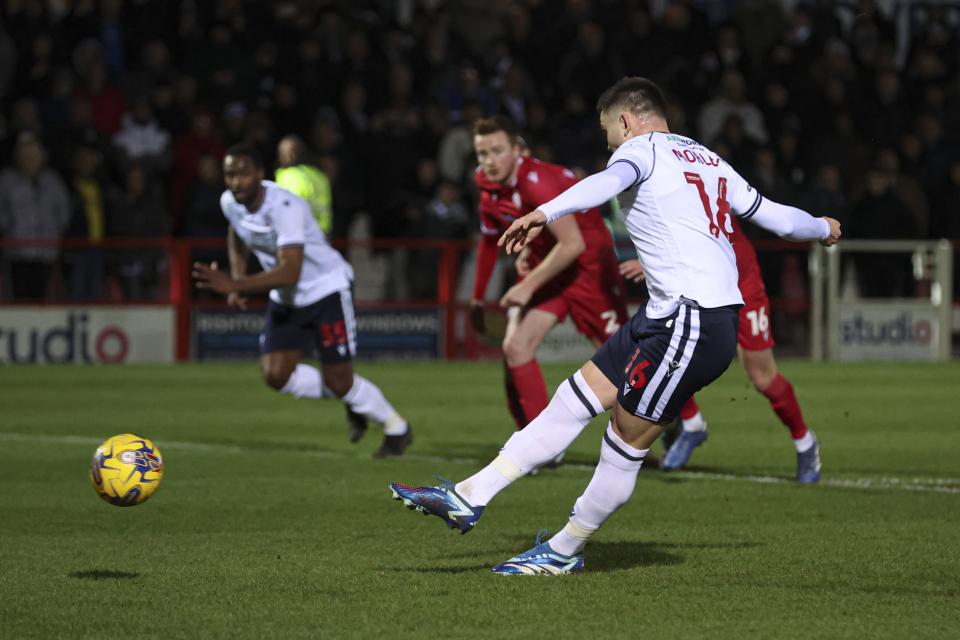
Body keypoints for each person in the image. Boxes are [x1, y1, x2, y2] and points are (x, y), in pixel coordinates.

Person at [390, 77, 840, 574]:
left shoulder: (640, 150)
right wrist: (823, 227)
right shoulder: (708, 159)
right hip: (666, 315)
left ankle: (564, 551)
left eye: (608, 131)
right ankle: (469, 494)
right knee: (571, 400)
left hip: (694, 322)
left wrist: (544, 211)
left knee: (624, 441)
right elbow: (776, 218)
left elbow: (604, 184)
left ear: (626, 120)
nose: (609, 144)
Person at [192, 144, 412, 458]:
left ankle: (397, 429)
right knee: (276, 375)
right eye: (230, 174)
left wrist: (236, 282)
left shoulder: (285, 206)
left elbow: (291, 270)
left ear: (259, 174)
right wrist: (237, 278)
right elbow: (237, 231)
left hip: (326, 291)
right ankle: (352, 395)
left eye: (243, 173)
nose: (235, 181)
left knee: (340, 380)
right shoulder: (230, 202)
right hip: (287, 299)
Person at [618, 211, 821, 482]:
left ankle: (805, 443)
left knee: (763, 377)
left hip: (741, 283)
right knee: (669, 353)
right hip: (698, 286)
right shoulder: (670, 182)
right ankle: (691, 423)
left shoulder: (709, 176)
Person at [469, 116, 628, 437]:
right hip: (552, 269)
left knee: (625, 361)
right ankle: (541, 443)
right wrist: (477, 296)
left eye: (497, 151)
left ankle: (677, 423)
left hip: (588, 268)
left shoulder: (535, 182)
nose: (489, 161)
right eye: (482, 154)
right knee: (516, 347)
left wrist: (527, 286)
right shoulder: (489, 187)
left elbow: (573, 244)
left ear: (518, 150)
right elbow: (488, 242)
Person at [0, 133, 71, 300]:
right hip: (18, 253)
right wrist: (9, 227)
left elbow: (63, 210)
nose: (29, 158)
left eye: (33, 153)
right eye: (25, 154)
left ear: (41, 155)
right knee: (20, 299)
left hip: (47, 252)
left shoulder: (52, 180)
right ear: (18, 156)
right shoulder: (7, 180)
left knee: (46, 299)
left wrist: (56, 232)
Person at [275, 135, 334, 235]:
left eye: (281, 153)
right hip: (323, 234)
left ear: (291, 154)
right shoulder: (319, 175)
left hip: (300, 236)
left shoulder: (289, 175)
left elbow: (289, 210)